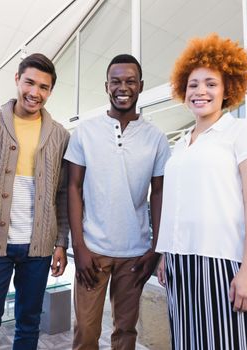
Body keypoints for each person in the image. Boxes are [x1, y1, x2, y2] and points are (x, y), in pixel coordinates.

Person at [156, 33, 247, 350]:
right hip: (181, 263)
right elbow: (178, 203)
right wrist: (167, 252)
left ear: (227, 89)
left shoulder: (241, 133)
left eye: (210, 83)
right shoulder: (181, 142)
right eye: (193, 84)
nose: (200, 91)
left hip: (223, 263)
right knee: (187, 342)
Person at [0, 53, 70, 350]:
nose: (35, 92)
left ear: (50, 91)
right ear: (17, 79)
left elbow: (62, 194)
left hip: (40, 248)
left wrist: (61, 242)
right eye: (30, 82)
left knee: (29, 325)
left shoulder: (60, 135)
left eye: (44, 87)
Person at [66, 54, 171, 350]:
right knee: (85, 332)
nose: (122, 87)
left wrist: (156, 248)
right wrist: (79, 247)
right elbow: (73, 187)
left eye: (129, 81)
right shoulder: (85, 132)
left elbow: (159, 193)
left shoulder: (157, 138)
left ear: (140, 86)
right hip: (93, 250)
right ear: (106, 86)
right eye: (116, 81)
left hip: (135, 254)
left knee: (125, 332)